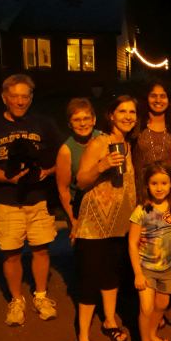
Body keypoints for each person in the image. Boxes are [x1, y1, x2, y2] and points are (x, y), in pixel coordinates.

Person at [0, 73, 62, 327]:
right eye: (15, 96)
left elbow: (62, 157)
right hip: (6, 201)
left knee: (41, 250)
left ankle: (41, 296)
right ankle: (16, 300)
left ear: (31, 98)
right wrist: (8, 178)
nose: (20, 101)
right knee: (11, 254)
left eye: (25, 96)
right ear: (5, 98)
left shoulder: (44, 125)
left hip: (39, 199)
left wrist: (48, 171)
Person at [72, 95, 138, 341]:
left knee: (111, 274)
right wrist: (102, 166)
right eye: (122, 111)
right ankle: (83, 338)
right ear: (111, 115)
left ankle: (110, 321)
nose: (128, 116)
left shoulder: (128, 144)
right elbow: (81, 181)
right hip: (94, 224)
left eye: (132, 112)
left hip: (119, 223)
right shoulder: (99, 142)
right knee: (89, 280)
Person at [128, 162, 171, 341]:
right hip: (145, 267)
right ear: (147, 185)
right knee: (146, 308)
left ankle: (152, 334)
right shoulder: (141, 211)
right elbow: (132, 243)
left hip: (168, 267)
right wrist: (137, 273)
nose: (159, 188)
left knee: (162, 304)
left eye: (164, 183)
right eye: (154, 183)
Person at [56, 98, 101, 240]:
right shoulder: (66, 150)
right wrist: (73, 220)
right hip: (80, 209)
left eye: (86, 118)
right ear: (70, 124)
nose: (82, 124)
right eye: (76, 120)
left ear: (94, 120)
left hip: (104, 206)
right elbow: (63, 190)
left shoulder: (104, 139)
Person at [132, 81, 171, 204]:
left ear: (169, 99)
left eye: (163, 96)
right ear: (147, 98)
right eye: (153, 96)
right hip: (141, 194)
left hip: (168, 195)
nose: (158, 100)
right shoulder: (136, 124)